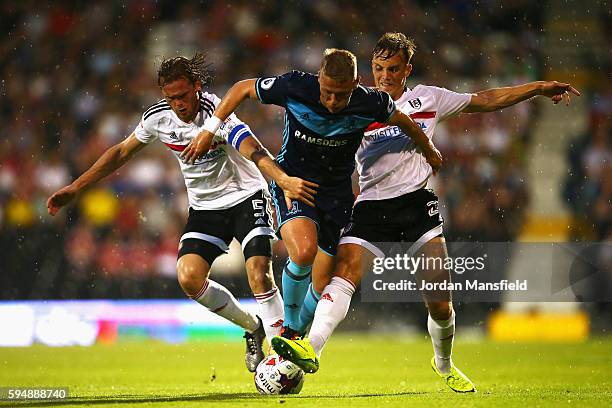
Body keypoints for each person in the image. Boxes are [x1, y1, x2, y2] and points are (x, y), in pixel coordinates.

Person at [270, 32, 581, 392]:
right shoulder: (355, 104)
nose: (385, 76)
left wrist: (538, 87)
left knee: (440, 303)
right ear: (371, 68)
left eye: (393, 69)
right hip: (370, 204)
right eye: (379, 68)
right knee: (346, 274)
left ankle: (444, 362)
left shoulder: (428, 99)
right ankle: (312, 347)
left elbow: (486, 99)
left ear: (407, 70)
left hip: (417, 205)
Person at [46, 53, 316, 372]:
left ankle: (280, 357)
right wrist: (77, 187)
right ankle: (253, 327)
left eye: (183, 96)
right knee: (188, 278)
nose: (179, 105)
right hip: (205, 208)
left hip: (246, 196)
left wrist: (281, 179)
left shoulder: (218, 112)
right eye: (171, 98)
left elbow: (254, 150)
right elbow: (121, 151)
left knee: (258, 269)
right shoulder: (158, 118)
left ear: (197, 87)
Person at [180, 48, 443, 341]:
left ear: (355, 85)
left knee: (322, 284)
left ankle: (297, 333)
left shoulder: (371, 102)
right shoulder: (295, 86)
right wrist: (210, 128)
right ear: (319, 78)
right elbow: (242, 89)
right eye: (327, 92)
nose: (332, 102)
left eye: (340, 95)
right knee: (303, 252)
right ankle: (288, 333)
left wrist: (429, 149)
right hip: (294, 182)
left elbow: (404, 120)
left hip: (337, 196)